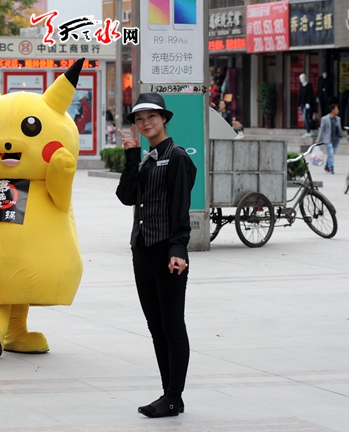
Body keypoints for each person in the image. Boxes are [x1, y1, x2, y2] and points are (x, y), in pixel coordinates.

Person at [115, 92, 197, 419]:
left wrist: (178, 249)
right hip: (143, 252)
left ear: (164, 119)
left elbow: (180, 207)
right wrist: (131, 157)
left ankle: (173, 397)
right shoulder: (145, 159)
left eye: (151, 116)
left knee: (172, 325)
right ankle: (169, 394)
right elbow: (125, 196)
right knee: (155, 325)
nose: (145, 123)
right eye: (139, 118)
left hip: (167, 253)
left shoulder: (177, 158)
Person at [316, 103, 342, 174]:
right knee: (330, 154)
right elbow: (321, 129)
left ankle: (327, 166)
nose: (338, 110)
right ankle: (331, 168)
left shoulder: (338, 119)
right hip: (328, 139)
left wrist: (340, 136)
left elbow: (339, 129)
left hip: (336, 139)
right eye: (336, 109)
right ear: (332, 110)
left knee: (331, 154)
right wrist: (318, 139)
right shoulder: (325, 119)